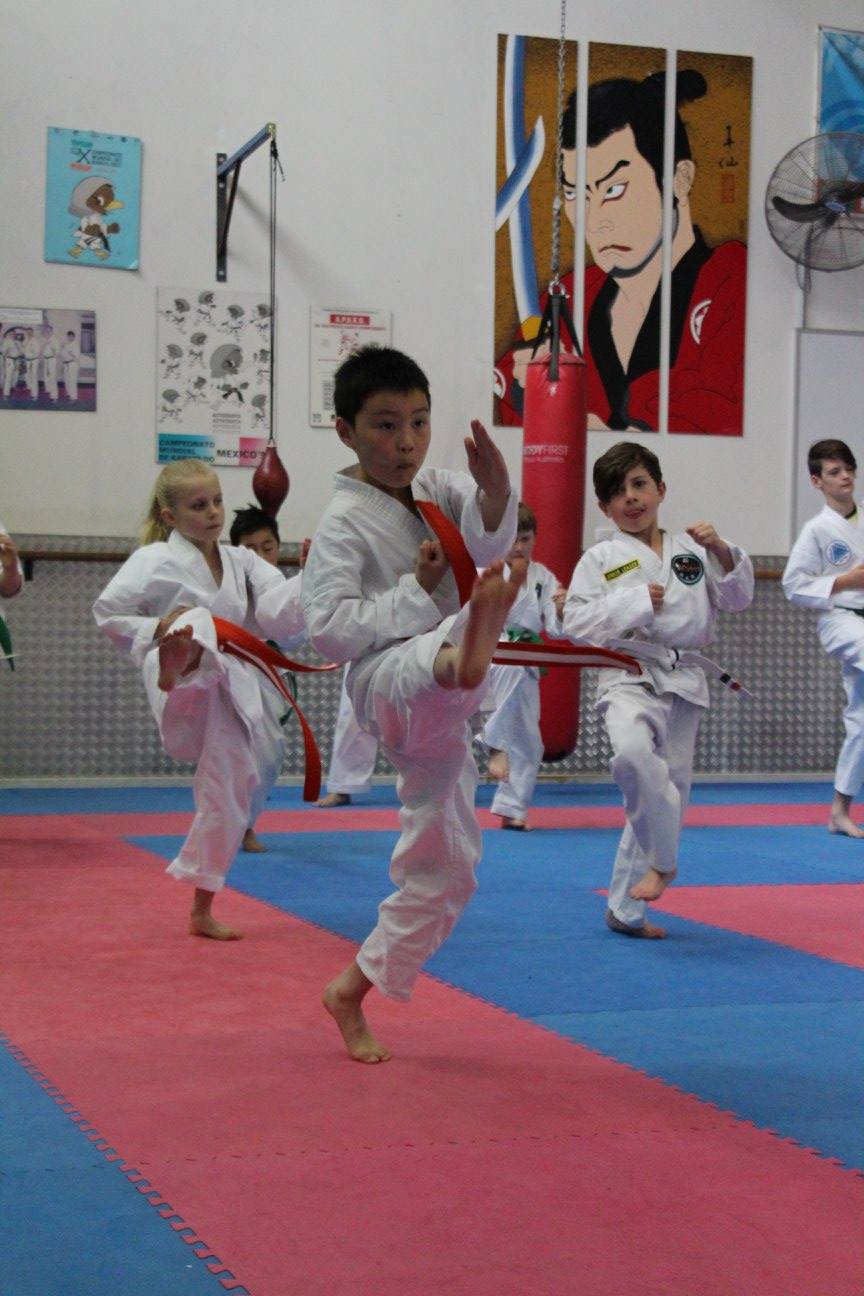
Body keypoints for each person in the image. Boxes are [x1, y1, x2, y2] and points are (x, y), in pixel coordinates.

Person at [302, 345, 520, 1062]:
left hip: (442, 706)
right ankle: (465, 653)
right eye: (386, 425)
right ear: (345, 431)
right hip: (384, 680)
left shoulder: (437, 489)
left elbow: (487, 533)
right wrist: (416, 594)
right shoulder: (342, 522)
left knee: (448, 871)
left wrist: (495, 491)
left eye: (420, 423)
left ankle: (350, 989)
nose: (407, 443)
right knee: (436, 658)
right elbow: (329, 630)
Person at [93, 459, 297, 940]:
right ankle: (182, 656)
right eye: (198, 505)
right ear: (170, 516)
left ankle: (201, 910)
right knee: (195, 620)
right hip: (175, 678)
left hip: (227, 678)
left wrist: (317, 576)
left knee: (232, 786)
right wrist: (158, 627)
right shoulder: (153, 559)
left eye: (217, 501)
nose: (213, 513)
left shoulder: (242, 561)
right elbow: (107, 612)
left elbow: (280, 609)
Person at [561, 441, 753, 937]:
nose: (631, 497)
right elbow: (575, 623)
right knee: (631, 757)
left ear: (661, 489)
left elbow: (736, 599)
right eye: (617, 492)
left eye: (639, 484)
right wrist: (633, 602)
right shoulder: (601, 558)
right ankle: (664, 862)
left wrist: (722, 550)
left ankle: (625, 910)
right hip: (629, 672)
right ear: (604, 507)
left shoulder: (693, 550)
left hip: (685, 678)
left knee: (668, 787)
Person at [494, 72, 746, 436]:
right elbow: (509, 407)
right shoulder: (570, 301)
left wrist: (573, 420)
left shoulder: (732, 283)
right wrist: (525, 390)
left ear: (680, 179)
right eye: (574, 194)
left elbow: (718, 419)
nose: (595, 221)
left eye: (613, 190)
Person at [782, 439, 864, 838]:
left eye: (848, 468)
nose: (845, 476)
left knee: (861, 722)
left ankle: (839, 811)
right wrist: (845, 581)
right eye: (834, 471)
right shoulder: (816, 530)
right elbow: (793, 585)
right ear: (817, 481)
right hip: (841, 619)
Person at [481, 502, 566, 830]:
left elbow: (556, 629)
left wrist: (562, 609)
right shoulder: (486, 570)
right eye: (512, 539)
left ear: (535, 539)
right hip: (488, 652)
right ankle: (495, 743)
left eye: (525, 538)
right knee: (513, 668)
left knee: (529, 738)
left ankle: (513, 809)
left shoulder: (544, 577)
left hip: (526, 655)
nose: (518, 546)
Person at [228, 504, 306, 851]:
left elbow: (296, 637)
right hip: (227, 672)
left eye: (267, 547)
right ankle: (231, 827)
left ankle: (245, 824)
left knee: (269, 753)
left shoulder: (284, 588)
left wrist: (308, 580)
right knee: (227, 753)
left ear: (278, 547)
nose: (259, 556)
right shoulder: (223, 587)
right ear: (235, 553)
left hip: (266, 674)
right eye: (249, 549)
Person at [317, 672, 380, 807]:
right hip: (365, 658)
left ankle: (426, 787)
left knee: (422, 704)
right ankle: (343, 787)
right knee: (354, 710)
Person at [60, 331, 80, 401]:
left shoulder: (75, 345)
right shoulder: (66, 345)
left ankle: (73, 398)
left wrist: (69, 352)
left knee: (72, 381)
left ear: (74, 337)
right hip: (65, 364)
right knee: (67, 380)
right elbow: (62, 355)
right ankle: (69, 394)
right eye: (68, 336)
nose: (70, 338)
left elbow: (76, 356)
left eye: (71, 336)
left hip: (72, 364)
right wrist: (62, 348)